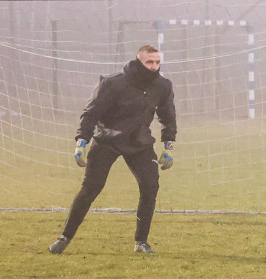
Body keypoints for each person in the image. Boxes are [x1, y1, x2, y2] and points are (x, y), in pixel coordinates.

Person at [49, 44, 177, 255]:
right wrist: (81, 142)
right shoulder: (113, 83)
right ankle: (65, 237)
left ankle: (141, 242)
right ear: (139, 62)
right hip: (108, 140)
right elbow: (91, 113)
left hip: (139, 143)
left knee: (150, 186)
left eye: (157, 62)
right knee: (92, 187)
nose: (154, 66)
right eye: (149, 62)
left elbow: (168, 117)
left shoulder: (163, 86)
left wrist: (169, 147)